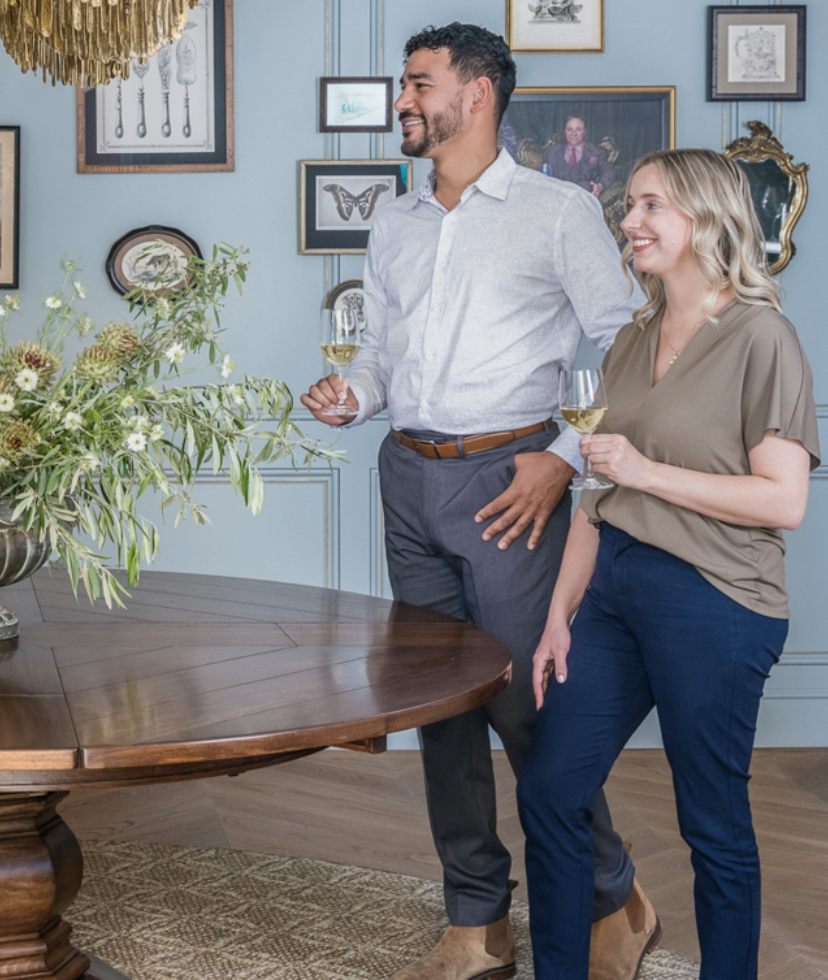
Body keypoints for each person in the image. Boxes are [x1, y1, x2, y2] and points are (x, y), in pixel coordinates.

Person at [299, 23, 650, 980]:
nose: (403, 100)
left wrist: (566, 459)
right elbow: (379, 355)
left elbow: (628, 351)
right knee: (437, 710)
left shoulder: (557, 211)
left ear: (479, 93)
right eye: (403, 85)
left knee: (529, 711)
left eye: (418, 84)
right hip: (405, 475)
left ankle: (613, 896)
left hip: (513, 485)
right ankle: (476, 921)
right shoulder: (396, 220)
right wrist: (355, 395)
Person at [517, 149, 817, 980]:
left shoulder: (763, 337)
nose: (629, 222)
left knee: (711, 822)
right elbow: (596, 490)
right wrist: (558, 614)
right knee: (549, 792)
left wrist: (645, 470)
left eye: (650, 206)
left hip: (715, 600)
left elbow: (783, 500)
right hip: (612, 589)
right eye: (629, 206)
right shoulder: (632, 337)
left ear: (706, 219)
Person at [545, 115, 616, 198]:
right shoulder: (551, 152)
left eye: (578, 129)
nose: (573, 133)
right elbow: (542, 176)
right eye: (569, 129)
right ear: (565, 131)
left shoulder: (596, 152)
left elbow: (609, 172)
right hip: (557, 199)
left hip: (584, 199)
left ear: (585, 132)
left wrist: (599, 187)